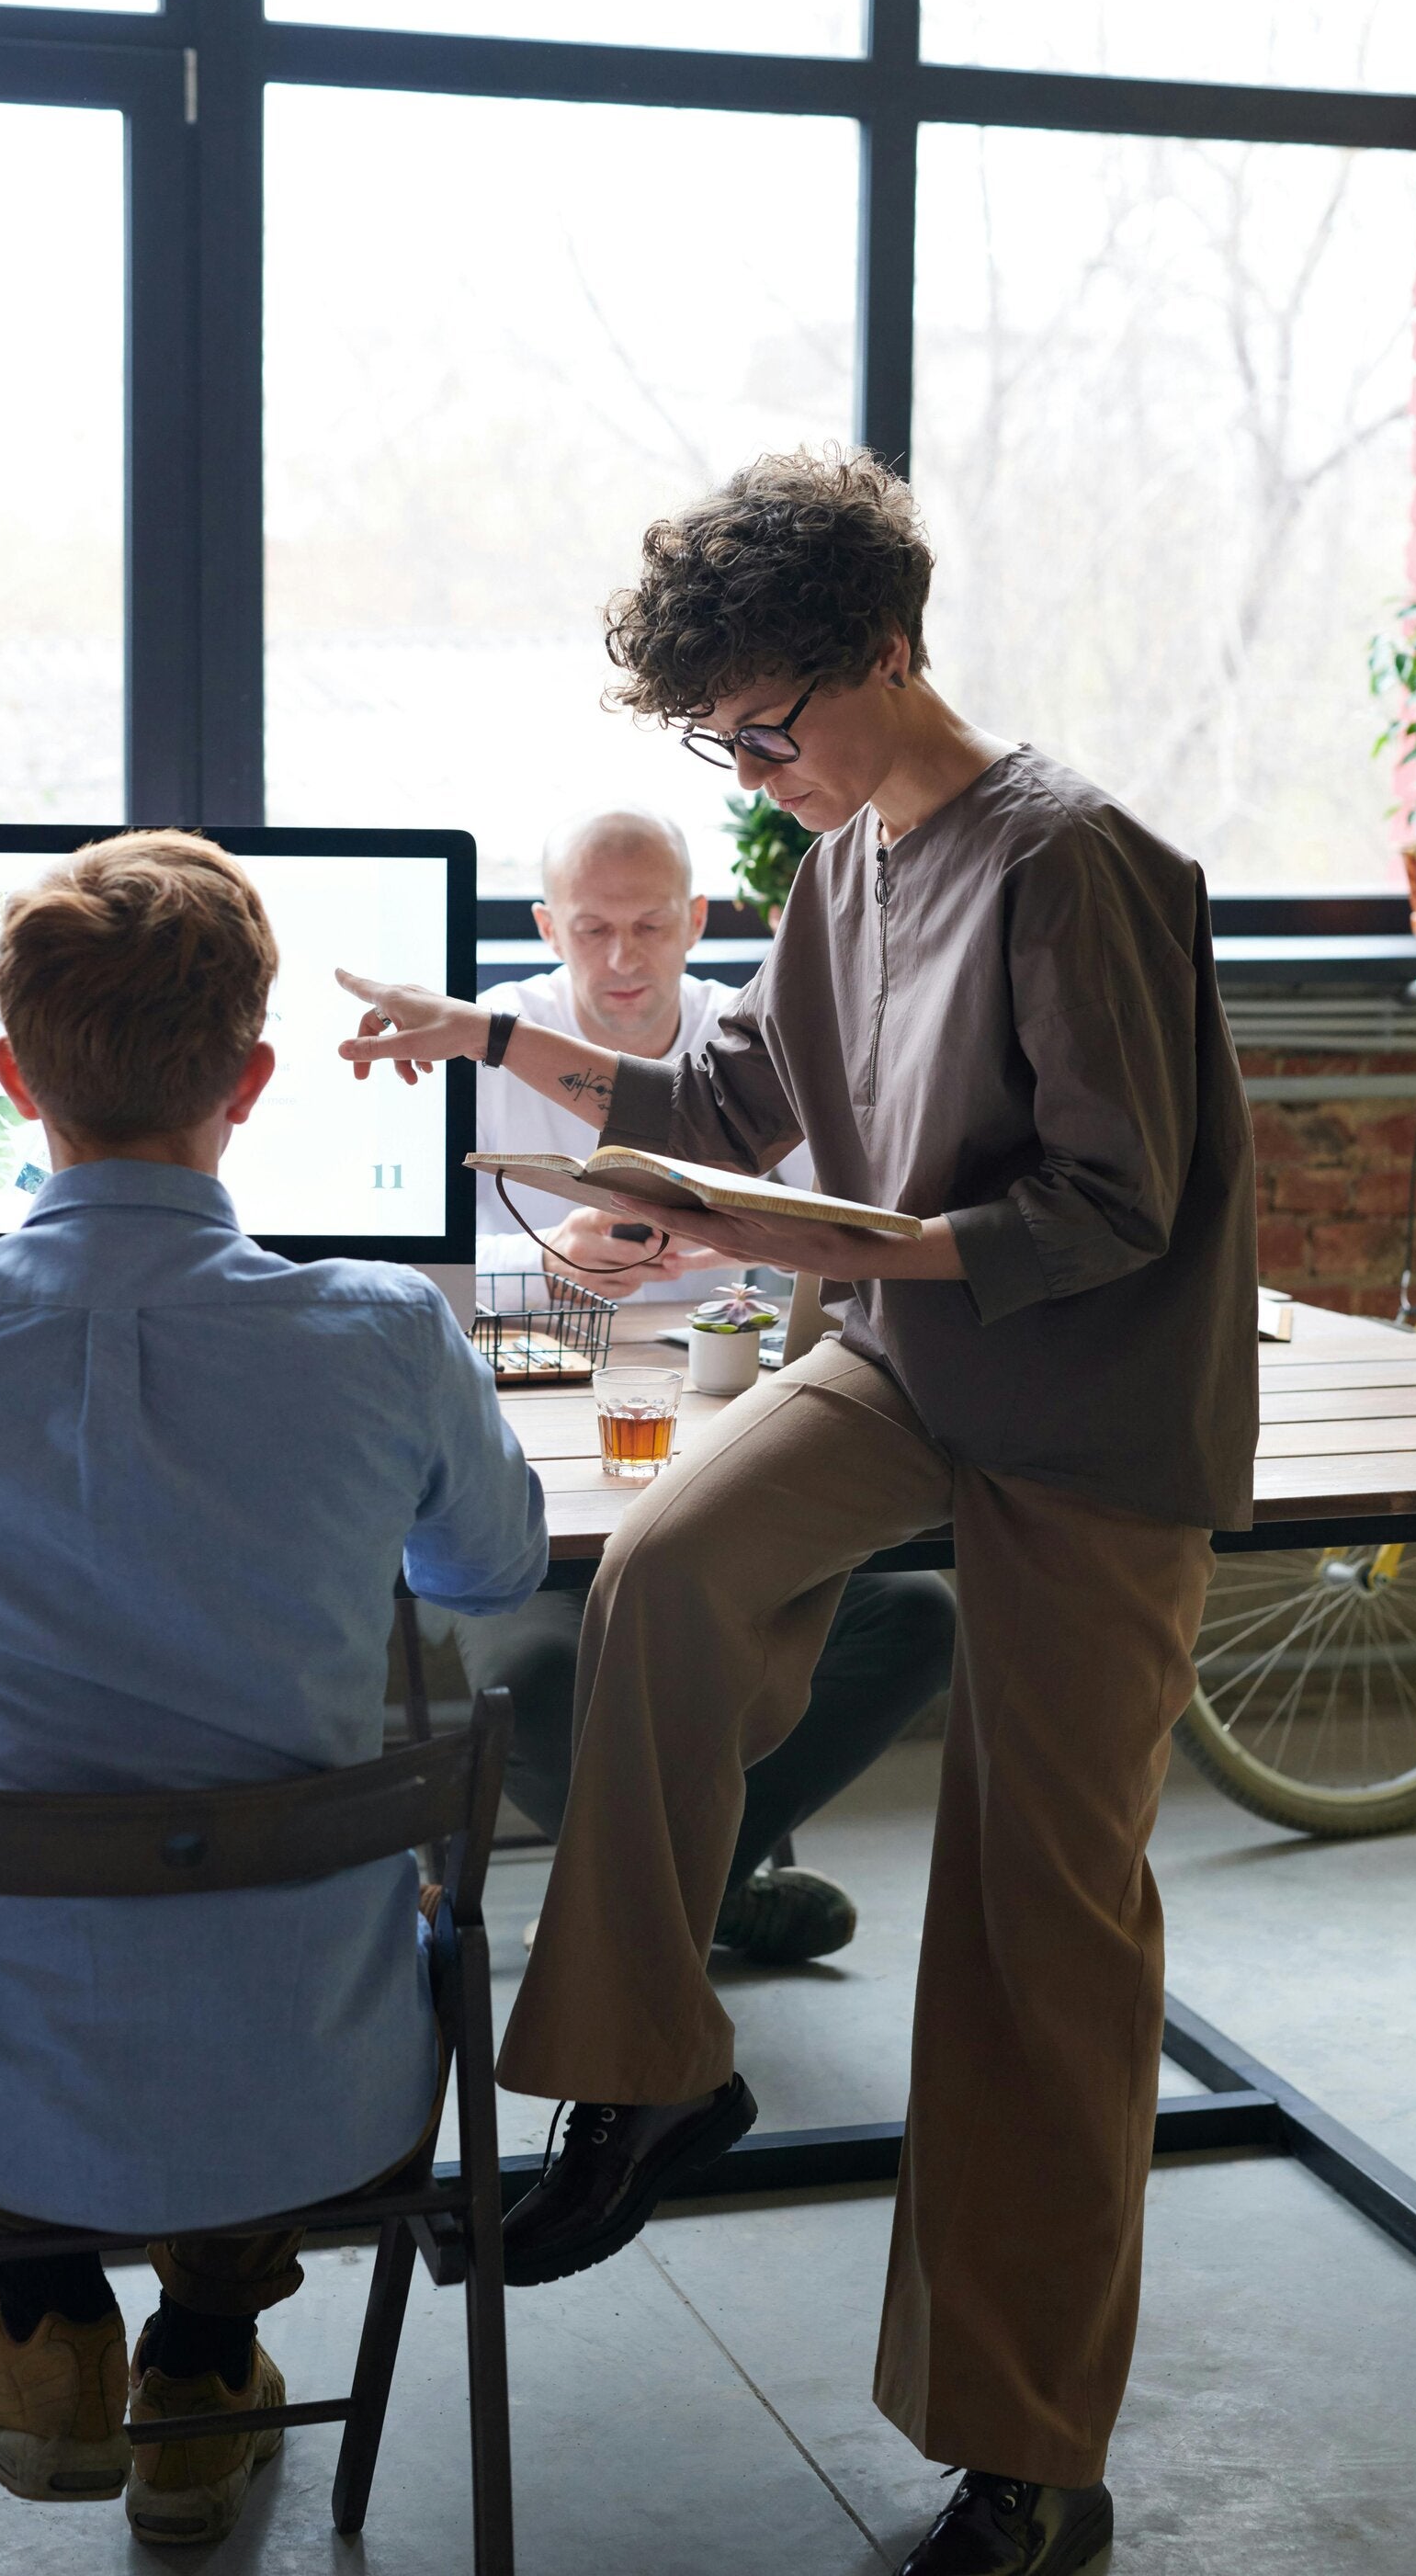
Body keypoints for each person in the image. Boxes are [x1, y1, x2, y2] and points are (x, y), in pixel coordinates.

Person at [338, 446, 1257, 2576]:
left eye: (769, 728)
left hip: (1092, 1414)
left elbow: (1112, 1205)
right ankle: (651, 2070)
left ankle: (1029, 2460)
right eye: (722, 746)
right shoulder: (844, 864)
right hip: (913, 1359)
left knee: (1036, 1930)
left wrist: (833, 1236)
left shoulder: (1074, 861)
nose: (757, 774)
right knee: (666, 1568)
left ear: (887, 649)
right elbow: (736, 1100)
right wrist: (491, 1036)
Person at [0, 833, 546, 2548]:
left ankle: (48, 2316)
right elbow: (489, 1572)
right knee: (278, 1896)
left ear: (11, 1079)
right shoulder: (384, 1330)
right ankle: (203, 2365)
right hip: (331, 2091)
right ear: (253, 1081)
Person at [466, 803, 956, 1965]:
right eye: (593, 930)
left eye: (649, 926)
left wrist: (753, 1241)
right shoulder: (493, 1045)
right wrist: (549, 1259)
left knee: (918, 1620)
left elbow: (845, 1238)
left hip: (733, 1434)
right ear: (546, 927)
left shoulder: (757, 1046)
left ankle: (660, 1896)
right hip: (537, 1457)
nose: (622, 959)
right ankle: (703, 1895)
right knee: (537, 1674)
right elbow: (414, 1280)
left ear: (696, 920)